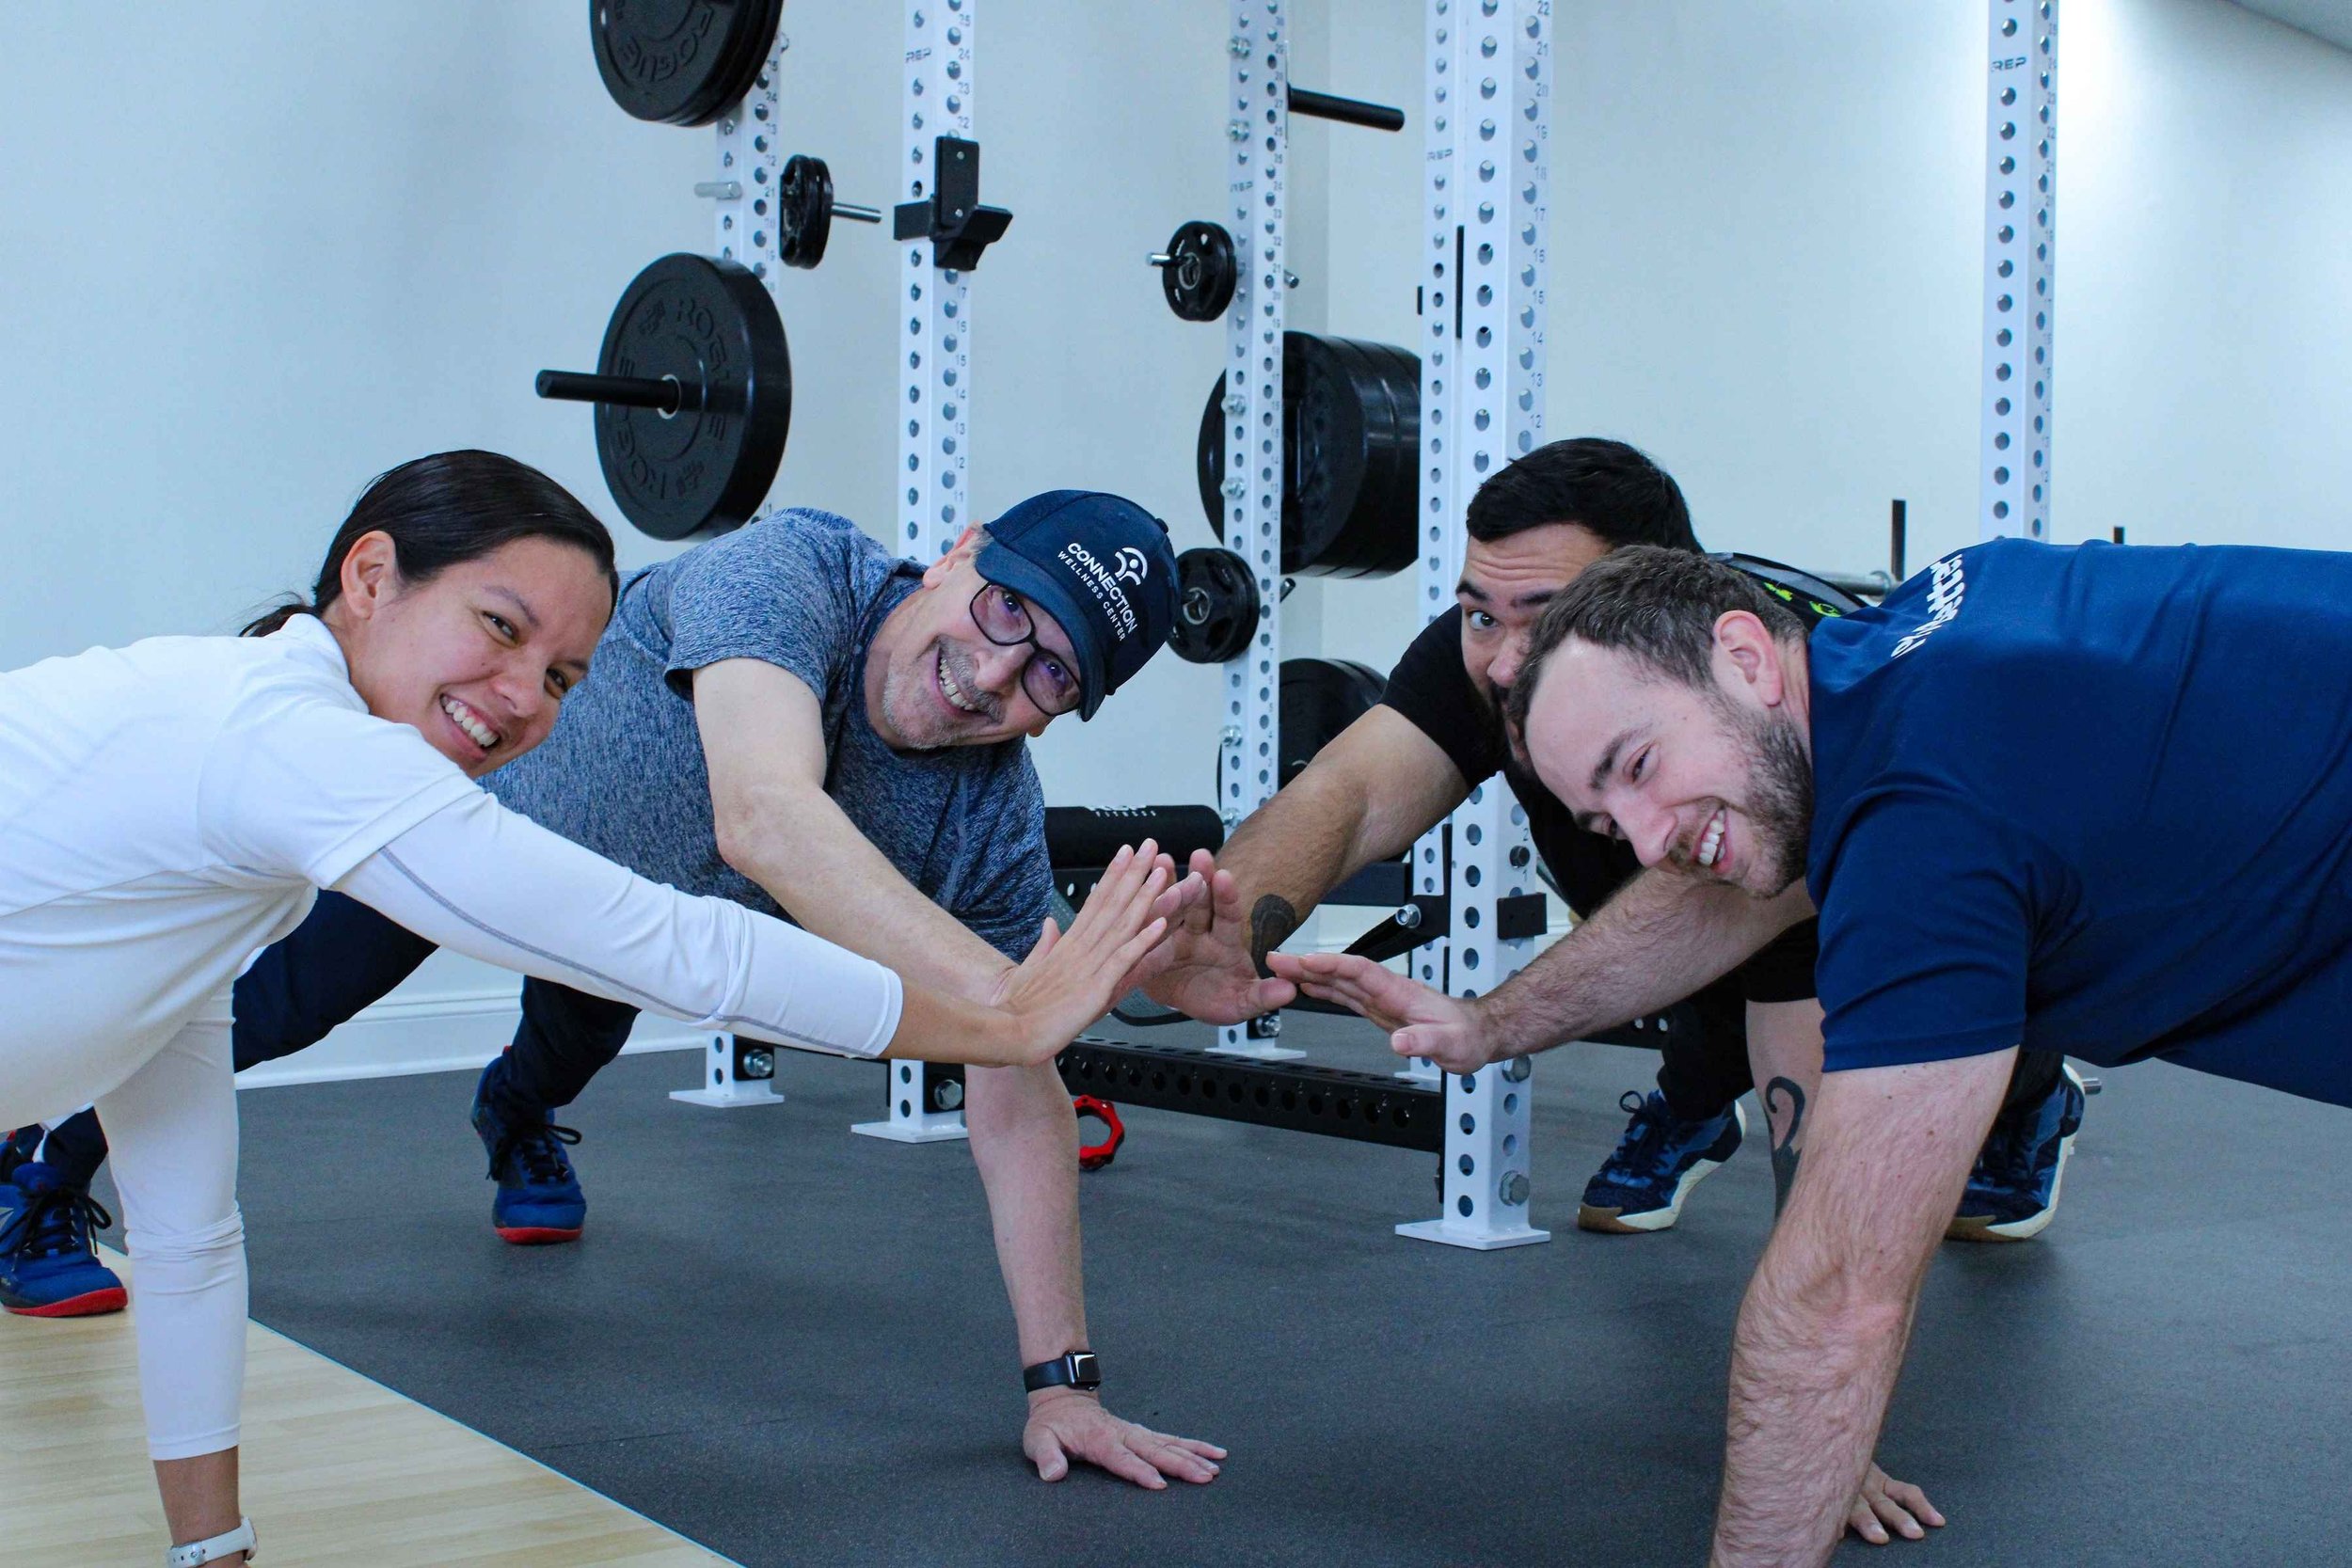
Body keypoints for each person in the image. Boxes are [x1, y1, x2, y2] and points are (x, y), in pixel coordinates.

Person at [0, 451, 1180, 1566]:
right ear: (959, 554)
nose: (994, 671)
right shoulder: (789, 571)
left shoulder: (226, 859)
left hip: (584, 909)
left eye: (562, 675)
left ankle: (508, 1118)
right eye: (499, 628)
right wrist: (1009, 1007)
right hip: (506, 864)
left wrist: (1061, 1375)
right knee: (292, 1007)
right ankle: (38, 1183)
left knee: (548, 1030)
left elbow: (191, 1237)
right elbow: (736, 871)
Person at [1406, 537, 2352, 1565]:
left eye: (1636, 767)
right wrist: (1490, 1025)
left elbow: (1835, 1301)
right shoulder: (1911, 641)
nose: (1640, 840)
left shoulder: (1925, 819)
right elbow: (1726, 890)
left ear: (1745, 655)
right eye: (1603, 816)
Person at [1144, 438, 2074, 1246]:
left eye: (1544, 618)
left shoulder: (1783, 726)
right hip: (1668, 904)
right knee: (1689, 977)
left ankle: (2034, 1099)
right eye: (1479, 614)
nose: (1505, 662)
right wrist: (1226, 920)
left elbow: (1827, 1213)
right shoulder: (1490, 645)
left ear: (1650, 602)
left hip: (1849, 925)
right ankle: (1699, 1097)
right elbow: (1348, 793)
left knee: (1868, 1113)